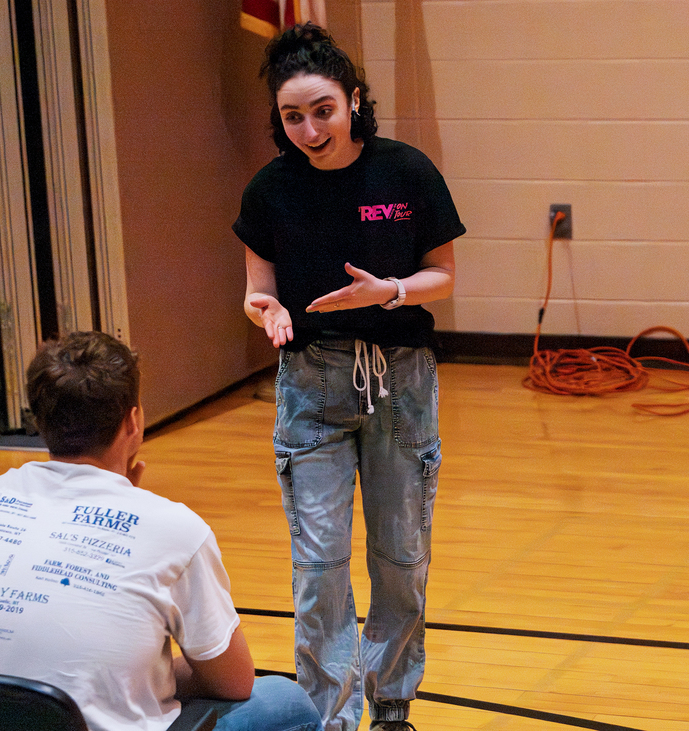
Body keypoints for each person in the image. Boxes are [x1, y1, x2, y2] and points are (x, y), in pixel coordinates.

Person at [233, 23, 466, 731]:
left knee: (401, 557)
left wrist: (390, 290)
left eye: (323, 110)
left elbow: (442, 275)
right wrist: (267, 309)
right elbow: (257, 290)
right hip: (312, 384)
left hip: (400, 382)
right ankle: (328, 716)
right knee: (319, 564)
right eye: (292, 117)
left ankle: (391, 705)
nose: (310, 130)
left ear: (354, 99)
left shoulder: (407, 172)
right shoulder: (269, 190)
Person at [0, 331, 321, 731]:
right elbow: (234, 682)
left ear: (40, 421)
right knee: (285, 702)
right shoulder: (175, 529)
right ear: (133, 421)